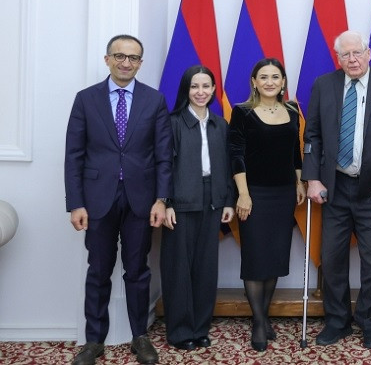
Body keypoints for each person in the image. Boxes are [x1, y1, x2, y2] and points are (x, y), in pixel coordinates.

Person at [65, 34, 172, 365]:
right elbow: (74, 155)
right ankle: (94, 340)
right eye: (120, 56)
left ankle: (140, 336)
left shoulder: (154, 101)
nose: (127, 63)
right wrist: (76, 203)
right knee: (98, 270)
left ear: (141, 63)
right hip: (97, 201)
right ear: (107, 59)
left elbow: (163, 156)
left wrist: (161, 199)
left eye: (134, 58)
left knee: (137, 270)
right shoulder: (86, 99)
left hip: (141, 201)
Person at [302, 30, 371, 349]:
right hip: (334, 188)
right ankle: (337, 321)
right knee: (332, 259)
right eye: (344, 55)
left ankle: (370, 321)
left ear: (369, 53)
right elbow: (312, 137)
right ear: (337, 58)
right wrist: (312, 178)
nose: (351, 59)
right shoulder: (324, 85)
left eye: (357, 53)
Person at [228, 58, 306, 352]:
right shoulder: (243, 112)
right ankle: (259, 322)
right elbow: (236, 154)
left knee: (274, 256)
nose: (270, 81)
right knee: (255, 258)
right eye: (264, 77)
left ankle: (264, 315)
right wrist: (243, 194)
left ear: (283, 82)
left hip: (283, 193)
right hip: (255, 194)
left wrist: (299, 181)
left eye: (276, 76)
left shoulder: (292, 110)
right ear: (254, 82)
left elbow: (295, 154)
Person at [160, 65, 235, 351]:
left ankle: (200, 327)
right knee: (179, 267)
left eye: (206, 86)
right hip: (180, 200)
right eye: (195, 86)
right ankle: (180, 331)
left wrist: (227, 200)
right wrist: (165, 201)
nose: (200, 92)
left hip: (213, 199)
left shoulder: (220, 124)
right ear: (186, 89)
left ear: (214, 90)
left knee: (205, 267)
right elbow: (163, 165)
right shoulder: (173, 122)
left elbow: (227, 166)